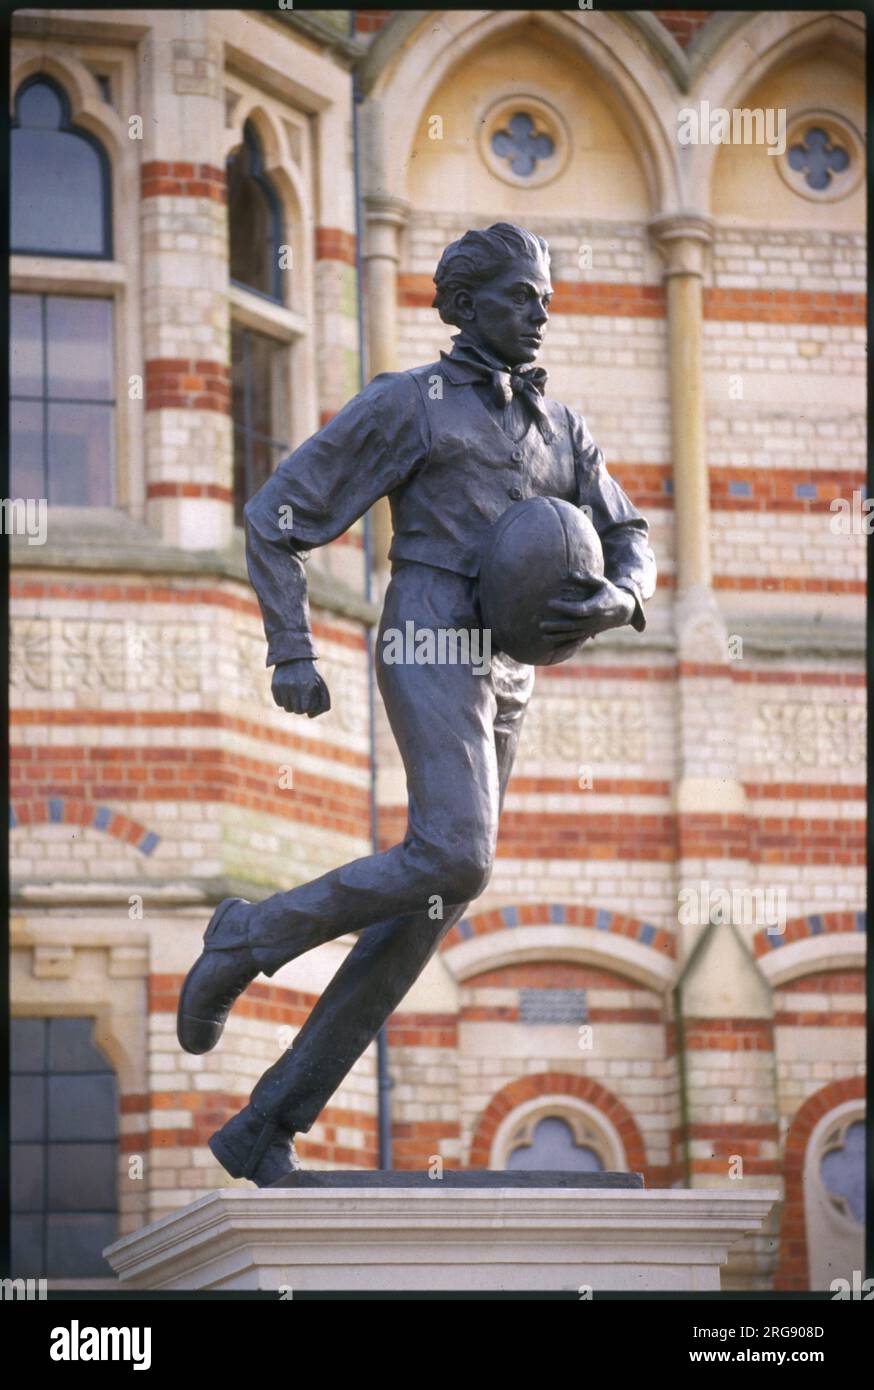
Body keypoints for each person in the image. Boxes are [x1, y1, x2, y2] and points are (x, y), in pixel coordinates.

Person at [177, 223, 657, 1184]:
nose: (540, 310)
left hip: (512, 661)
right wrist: (291, 648)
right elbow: (276, 516)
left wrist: (625, 593)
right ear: (468, 305)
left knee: (433, 903)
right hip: (431, 628)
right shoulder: (413, 404)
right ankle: (245, 936)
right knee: (456, 855)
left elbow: (628, 528)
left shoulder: (560, 428)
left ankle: (267, 1122)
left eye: (546, 295)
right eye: (522, 295)